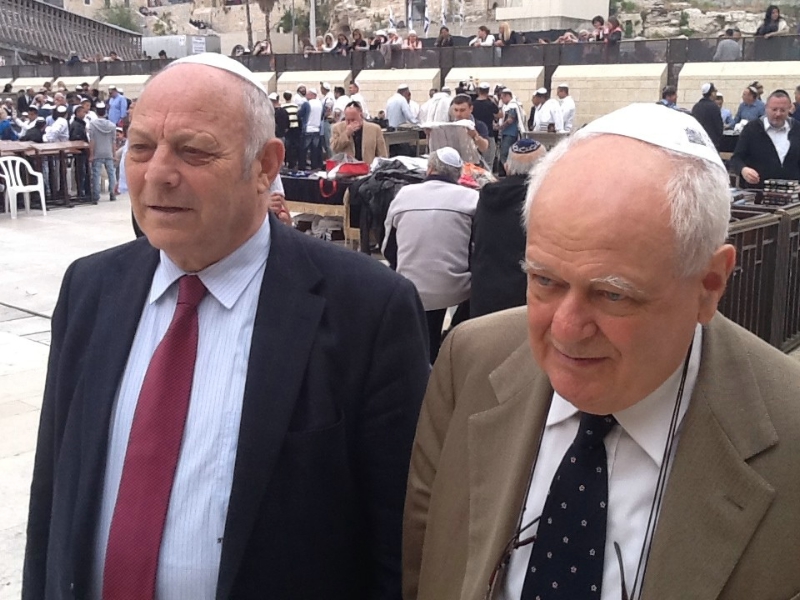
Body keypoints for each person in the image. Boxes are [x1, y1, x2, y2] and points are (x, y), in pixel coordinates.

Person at [24, 52, 430, 600]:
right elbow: (53, 498)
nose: (158, 173)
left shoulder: (367, 309)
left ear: (264, 165)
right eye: (140, 147)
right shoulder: (90, 289)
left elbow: (399, 547)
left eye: (192, 151)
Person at [403, 101, 800, 600]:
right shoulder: (470, 359)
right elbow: (423, 560)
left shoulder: (789, 433)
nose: (566, 330)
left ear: (709, 285)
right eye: (545, 281)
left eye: (613, 295)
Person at [382, 147, 479, 362]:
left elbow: (388, 249)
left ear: (430, 169)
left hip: (412, 284)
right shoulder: (471, 198)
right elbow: (476, 249)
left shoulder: (404, 195)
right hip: (457, 287)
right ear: (458, 174)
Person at [470, 139, 547, 319]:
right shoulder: (543, 200)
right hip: (523, 303)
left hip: (484, 296)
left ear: (506, 167)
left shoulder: (487, 196)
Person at [731, 89, 800, 188]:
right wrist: (744, 170)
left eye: (782, 110)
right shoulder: (752, 129)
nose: (778, 114)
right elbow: (736, 159)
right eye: (774, 109)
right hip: (758, 192)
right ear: (766, 108)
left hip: (792, 193)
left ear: (789, 109)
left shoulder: (797, 129)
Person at [87, 101, 117, 203]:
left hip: (97, 152)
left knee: (96, 174)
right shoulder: (112, 125)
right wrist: (114, 154)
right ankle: (112, 193)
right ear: (105, 112)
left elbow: (92, 141)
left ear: (96, 111)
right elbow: (113, 141)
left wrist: (91, 154)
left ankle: (96, 195)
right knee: (111, 174)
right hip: (108, 152)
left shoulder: (92, 125)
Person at [472, 83, 502, 170]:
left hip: (475, 134)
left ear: (479, 91)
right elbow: (500, 115)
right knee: (488, 160)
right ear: (488, 91)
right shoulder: (490, 104)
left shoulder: (473, 104)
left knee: (476, 161)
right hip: (488, 133)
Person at [692, 82, 723, 149]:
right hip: (711, 142)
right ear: (712, 93)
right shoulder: (714, 107)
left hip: (698, 142)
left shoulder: (696, 106)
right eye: (715, 91)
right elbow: (719, 127)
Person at [298, 87, 323, 170]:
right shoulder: (320, 104)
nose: (306, 95)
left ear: (312, 95)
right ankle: (314, 166)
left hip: (308, 129)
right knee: (315, 150)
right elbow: (322, 115)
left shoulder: (307, 104)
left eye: (308, 94)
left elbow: (300, 114)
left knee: (303, 149)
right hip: (317, 129)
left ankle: (302, 166)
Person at [498, 88, 522, 166]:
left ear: (507, 96)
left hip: (510, 133)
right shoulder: (508, 106)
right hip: (507, 133)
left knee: (504, 154)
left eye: (502, 98)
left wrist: (500, 127)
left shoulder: (512, 106)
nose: (502, 100)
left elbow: (510, 120)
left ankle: (507, 169)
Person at [281, 91, 302, 169]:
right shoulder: (295, 106)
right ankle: (294, 162)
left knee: (288, 146)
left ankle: (289, 162)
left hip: (288, 129)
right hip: (296, 128)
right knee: (295, 145)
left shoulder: (283, 107)